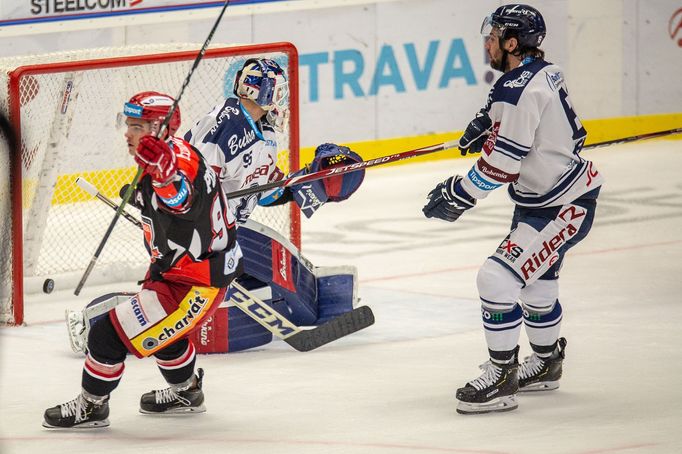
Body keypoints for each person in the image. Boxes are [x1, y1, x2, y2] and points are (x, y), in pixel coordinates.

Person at [65, 58, 365, 355]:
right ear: (266, 92)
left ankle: (317, 301)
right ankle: (95, 323)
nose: (282, 99)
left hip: (228, 229)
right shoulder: (225, 127)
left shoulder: (265, 131)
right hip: (195, 238)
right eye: (279, 90)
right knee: (189, 304)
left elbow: (259, 192)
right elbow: (194, 185)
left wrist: (301, 186)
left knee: (275, 257)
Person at [422, 4, 604, 415]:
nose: (486, 41)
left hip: (561, 205)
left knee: (496, 279)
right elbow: (514, 111)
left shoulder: (516, 88)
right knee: (538, 287)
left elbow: (504, 162)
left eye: (494, 35)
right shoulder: (540, 71)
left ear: (511, 42)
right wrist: (486, 122)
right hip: (550, 197)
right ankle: (544, 363)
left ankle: (502, 376)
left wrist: (459, 193)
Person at [44, 91, 243, 429]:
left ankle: (93, 406)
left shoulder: (175, 164)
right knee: (164, 335)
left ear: (158, 128)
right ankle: (186, 392)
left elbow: (183, 201)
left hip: (196, 283)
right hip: (177, 272)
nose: (128, 133)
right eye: (128, 125)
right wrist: (144, 192)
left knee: (105, 334)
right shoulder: (173, 155)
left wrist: (164, 181)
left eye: (136, 127)